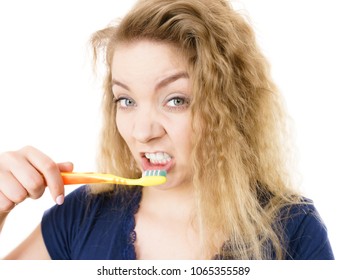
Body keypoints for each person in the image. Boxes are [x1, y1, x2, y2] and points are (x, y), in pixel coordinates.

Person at [0, 0, 334, 260]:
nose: (142, 132)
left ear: (229, 106)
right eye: (126, 100)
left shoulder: (294, 228)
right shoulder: (80, 216)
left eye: (175, 100)